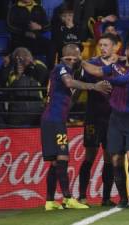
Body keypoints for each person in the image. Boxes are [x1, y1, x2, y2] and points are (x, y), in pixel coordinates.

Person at [41, 44, 111, 211]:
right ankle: (67, 198)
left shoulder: (64, 69)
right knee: (62, 158)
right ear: (71, 57)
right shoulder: (61, 68)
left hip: (52, 119)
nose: (78, 61)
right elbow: (69, 82)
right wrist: (94, 86)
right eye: (77, 57)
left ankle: (50, 201)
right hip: (54, 121)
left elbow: (67, 95)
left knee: (54, 163)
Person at [81, 38, 129, 208]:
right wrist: (79, 60)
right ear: (127, 52)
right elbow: (97, 70)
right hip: (115, 119)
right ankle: (123, 199)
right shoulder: (115, 67)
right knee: (115, 159)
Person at [78, 33, 119, 206]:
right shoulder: (92, 64)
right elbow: (80, 83)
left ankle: (106, 198)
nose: (102, 48)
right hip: (94, 117)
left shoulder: (120, 65)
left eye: (106, 45)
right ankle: (81, 196)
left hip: (113, 118)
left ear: (114, 46)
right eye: (100, 45)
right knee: (90, 155)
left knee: (109, 157)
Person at [5, 47, 46, 127]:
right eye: (19, 58)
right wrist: (18, 74)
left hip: (37, 108)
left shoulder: (37, 65)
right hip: (17, 110)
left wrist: (30, 64)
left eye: (24, 57)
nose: (22, 60)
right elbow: (9, 85)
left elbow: (44, 75)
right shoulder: (12, 70)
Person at [7, 0, 53, 69]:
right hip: (19, 39)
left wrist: (40, 27)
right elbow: (9, 27)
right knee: (18, 50)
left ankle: (49, 71)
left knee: (51, 45)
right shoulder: (14, 8)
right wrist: (25, 33)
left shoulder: (39, 8)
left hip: (36, 38)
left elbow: (48, 26)